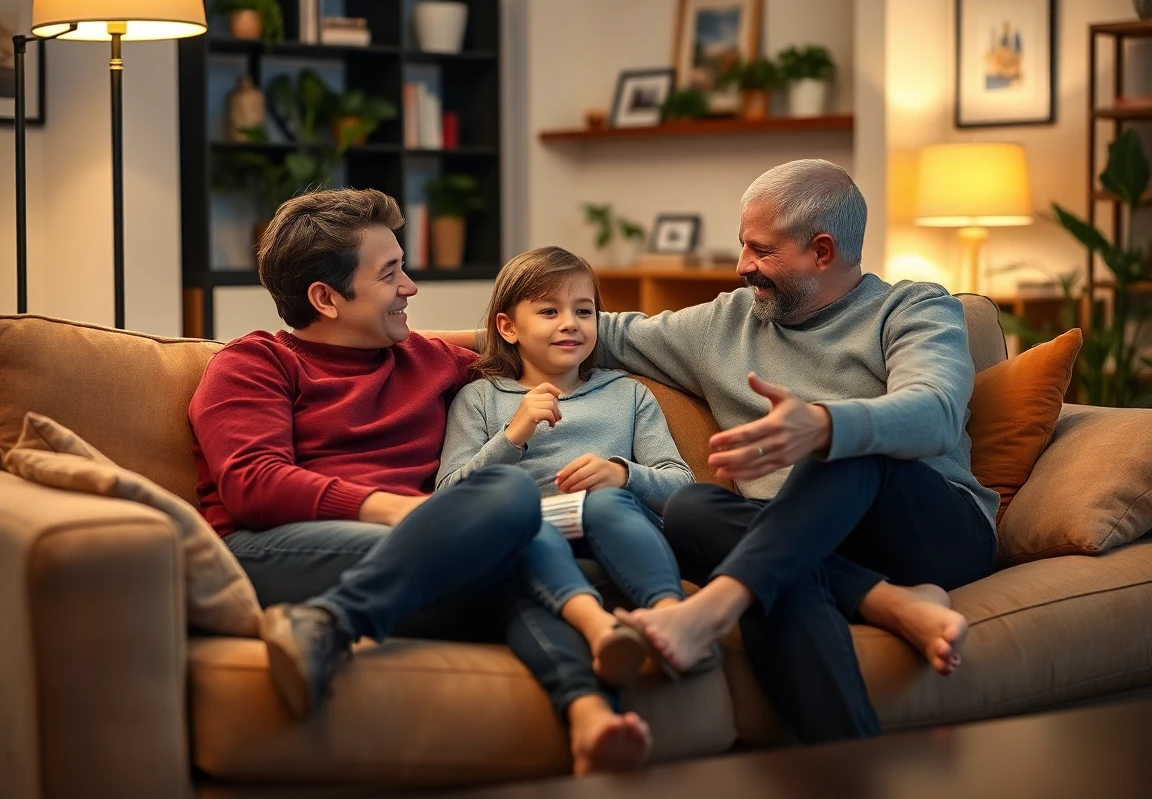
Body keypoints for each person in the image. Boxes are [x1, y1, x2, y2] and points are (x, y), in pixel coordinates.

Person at [431, 159, 998, 744]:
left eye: (761, 250)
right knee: (692, 512)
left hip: (928, 529)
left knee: (845, 454)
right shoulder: (727, 321)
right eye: (742, 245)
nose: (741, 266)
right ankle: (853, 742)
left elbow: (936, 411)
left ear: (822, 251)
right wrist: (405, 342)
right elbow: (597, 331)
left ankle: (711, 609)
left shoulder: (912, 308)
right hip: (794, 540)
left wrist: (824, 426)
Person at [188, 189, 648, 774]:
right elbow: (255, 483)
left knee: (533, 558)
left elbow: (535, 337)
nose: (410, 287)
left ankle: (589, 716)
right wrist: (404, 512)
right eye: (390, 274)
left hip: (419, 549)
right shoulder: (254, 364)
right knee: (507, 503)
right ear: (326, 298)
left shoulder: (429, 360)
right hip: (276, 548)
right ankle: (338, 618)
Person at [437, 247, 708, 697]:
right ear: (507, 327)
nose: (570, 323)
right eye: (549, 310)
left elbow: (682, 486)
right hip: (534, 535)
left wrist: (624, 475)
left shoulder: (628, 395)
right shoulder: (480, 399)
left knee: (603, 500)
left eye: (584, 311)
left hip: (615, 527)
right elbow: (448, 498)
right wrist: (513, 436)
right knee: (521, 527)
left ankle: (672, 620)